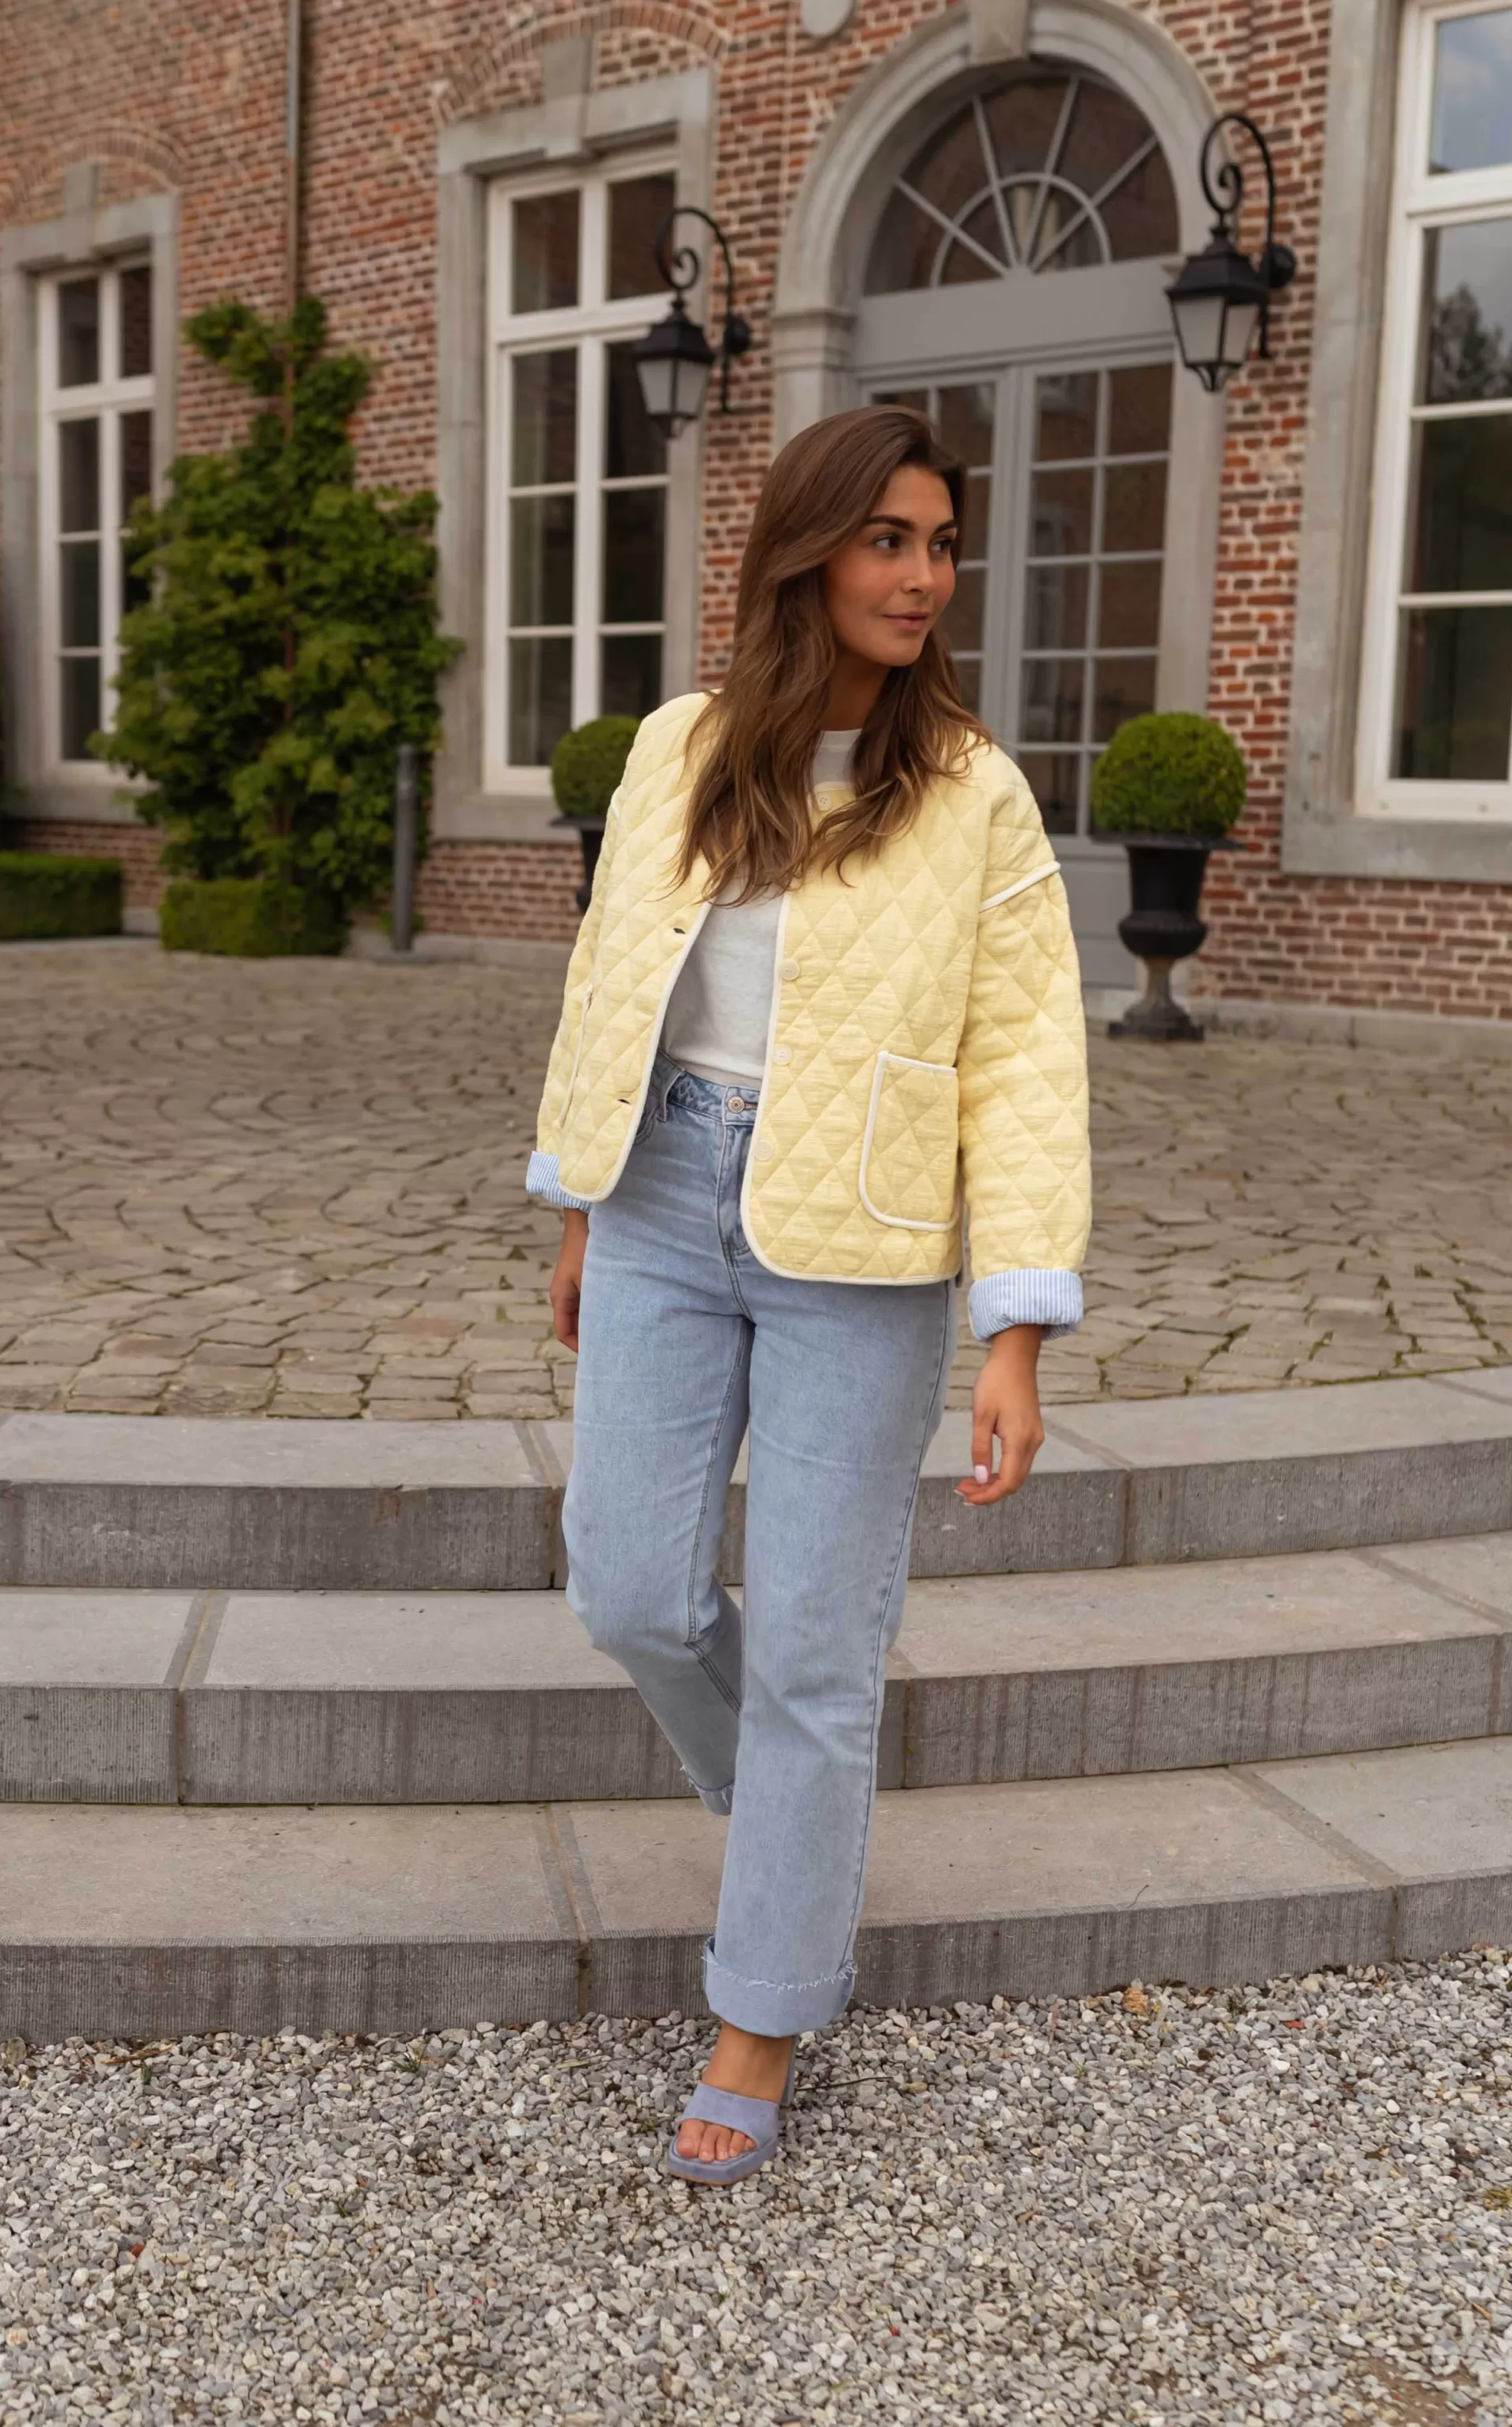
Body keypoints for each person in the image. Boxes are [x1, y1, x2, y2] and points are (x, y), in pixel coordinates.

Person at [525, 402, 1091, 2185]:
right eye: (888, 540)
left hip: (863, 1238)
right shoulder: (680, 747)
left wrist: (1016, 1330)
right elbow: (610, 975)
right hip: (663, 1194)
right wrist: (581, 1207)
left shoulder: (974, 791)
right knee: (626, 1584)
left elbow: (1028, 1061)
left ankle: (760, 2017)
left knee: (818, 1656)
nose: (923, 578)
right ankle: (791, 1795)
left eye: (941, 546)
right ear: (807, 549)